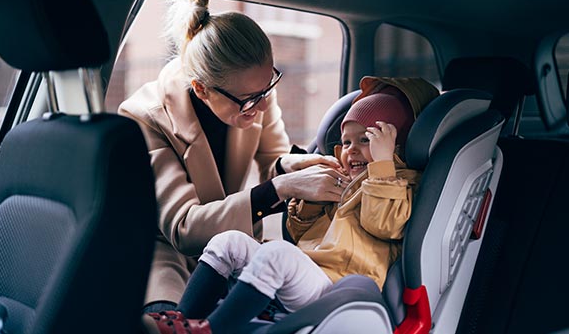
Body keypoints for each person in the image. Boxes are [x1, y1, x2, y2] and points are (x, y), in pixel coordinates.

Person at [141, 81, 439, 334]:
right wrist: (309, 201)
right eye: (346, 142)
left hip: (334, 284)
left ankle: (213, 329)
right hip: (308, 269)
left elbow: (384, 223)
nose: (351, 150)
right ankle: (181, 320)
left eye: (366, 140)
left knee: (276, 254)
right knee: (228, 241)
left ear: (394, 147)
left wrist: (383, 166)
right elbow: (300, 232)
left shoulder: (401, 182)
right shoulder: (347, 182)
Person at [118, 0, 350, 313]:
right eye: (251, 99)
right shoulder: (145, 116)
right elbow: (183, 227)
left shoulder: (253, 93)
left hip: (235, 248)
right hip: (169, 258)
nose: (265, 105)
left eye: (269, 87)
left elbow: (272, 161)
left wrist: (289, 166)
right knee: (168, 320)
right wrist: (281, 187)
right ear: (201, 89)